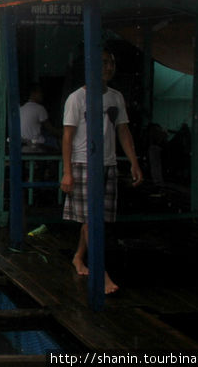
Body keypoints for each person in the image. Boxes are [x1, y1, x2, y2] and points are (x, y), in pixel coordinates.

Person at [60, 49, 142, 294]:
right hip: (83, 163)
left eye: (112, 62)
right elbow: (67, 136)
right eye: (104, 62)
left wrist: (134, 162)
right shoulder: (77, 98)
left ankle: (79, 257)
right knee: (91, 221)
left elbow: (123, 131)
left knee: (97, 220)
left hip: (108, 163)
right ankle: (100, 271)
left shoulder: (116, 97)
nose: (109, 67)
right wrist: (67, 172)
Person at [20, 83, 61, 148]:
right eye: (40, 92)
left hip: (22, 141)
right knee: (57, 142)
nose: (42, 95)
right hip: (34, 142)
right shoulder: (40, 108)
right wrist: (62, 133)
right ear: (33, 93)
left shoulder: (21, 108)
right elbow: (50, 129)